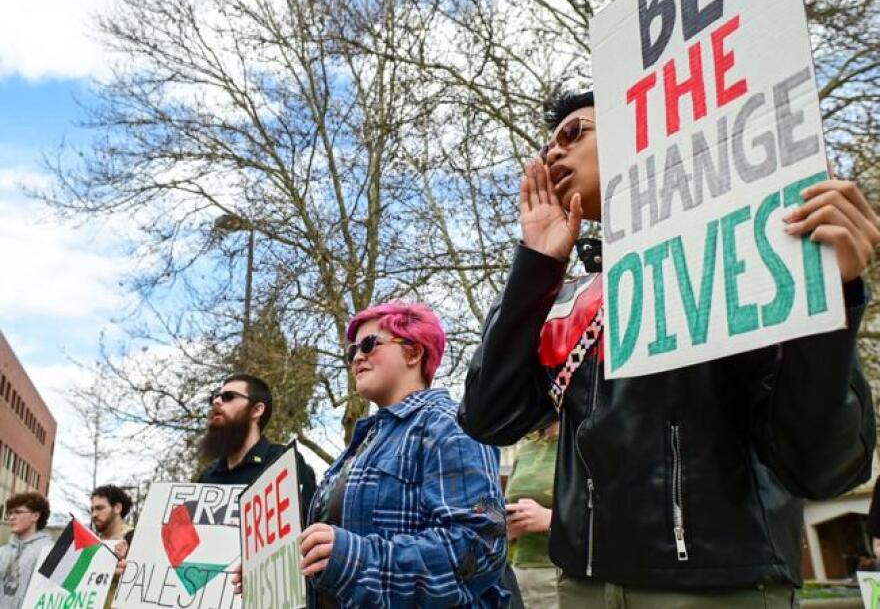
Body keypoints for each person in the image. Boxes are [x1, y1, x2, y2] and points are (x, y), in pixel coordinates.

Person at [458, 89, 879, 607]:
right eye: (547, 147)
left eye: (573, 133)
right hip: (582, 584)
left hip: (719, 586)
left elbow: (820, 465)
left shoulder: (739, 258)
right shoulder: (569, 298)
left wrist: (829, 304)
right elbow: (487, 416)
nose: (552, 155)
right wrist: (537, 263)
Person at [298, 302, 509, 607]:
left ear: (413, 353)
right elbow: (329, 556)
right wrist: (277, 567)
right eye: (352, 350)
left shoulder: (448, 424)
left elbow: (479, 547)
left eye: (370, 344)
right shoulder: (358, 447)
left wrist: (354, 557)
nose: (357, 356)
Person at [198, 373, 316, 524]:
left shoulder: (284, 464)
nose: (216, 401)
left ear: (257, 410)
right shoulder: (208, 477)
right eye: (214, 397)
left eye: (228, 397)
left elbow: (307, 530)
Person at [506, 421, 559, 608]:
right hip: (519, 575)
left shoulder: (584, 446)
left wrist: (551, 520)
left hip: (563, 578)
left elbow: (607, 514)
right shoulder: (525, 448)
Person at [0, 492, 53, 609]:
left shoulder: (48, 552)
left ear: (35, 516)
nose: (11, 517)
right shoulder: (2, 552)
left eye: (18, 512)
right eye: (10, 513)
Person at [90, 485, 134, 609]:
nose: (94, 514)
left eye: (99, 508)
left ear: (117, 508)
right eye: (92, 509)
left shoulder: (135, 538)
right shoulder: (91, 542)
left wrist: (129, 559)